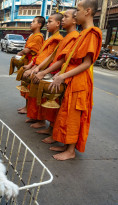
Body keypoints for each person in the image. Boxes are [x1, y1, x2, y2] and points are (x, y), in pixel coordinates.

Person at [48, 0, 102, 160]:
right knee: (66, 112)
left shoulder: (92, 33)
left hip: (80, 82)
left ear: (88, 11)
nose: (76, 13)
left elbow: (86, 63)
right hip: (71, 78)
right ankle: (65, 144)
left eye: (78, 10)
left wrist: (63, 75)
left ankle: (71, 151)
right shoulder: (83, 34)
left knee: (74, 116)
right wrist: (61, 74)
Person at [31, 9, 79, 144]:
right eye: (62, 17)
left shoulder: (74, 36)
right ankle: (50, 128)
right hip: (56, 72)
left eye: (65, 17)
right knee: (52, 103)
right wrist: (38, 68)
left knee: (58, 105)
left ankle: (54, 132)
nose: (63, 19)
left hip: (63, 74)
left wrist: (44, 72)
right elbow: (53, 56)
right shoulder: (66, 37)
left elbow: (63, 60)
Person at [22, 13, 63, 125]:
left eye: (50, 22)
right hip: (39, 67)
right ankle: (34, 116)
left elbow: (49, 57)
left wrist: (38, 69)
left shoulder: (57, 39)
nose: (47, 24)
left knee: (42, 97)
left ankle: (40, 120)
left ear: (58, 24)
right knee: (34, 94)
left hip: (48, 70)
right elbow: (41, 54)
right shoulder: (50, 38)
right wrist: (32, 66)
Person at [15, 16, 45, 114]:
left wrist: (20, 53)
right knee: (26, 85)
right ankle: (26, 106)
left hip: (33, 63)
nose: (31, 23)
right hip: (28, 61)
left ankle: (28, 108)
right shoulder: (32, 35)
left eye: (33, 21)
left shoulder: (38, 36)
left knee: (29, 86)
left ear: (39, 25)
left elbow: (28, 50)